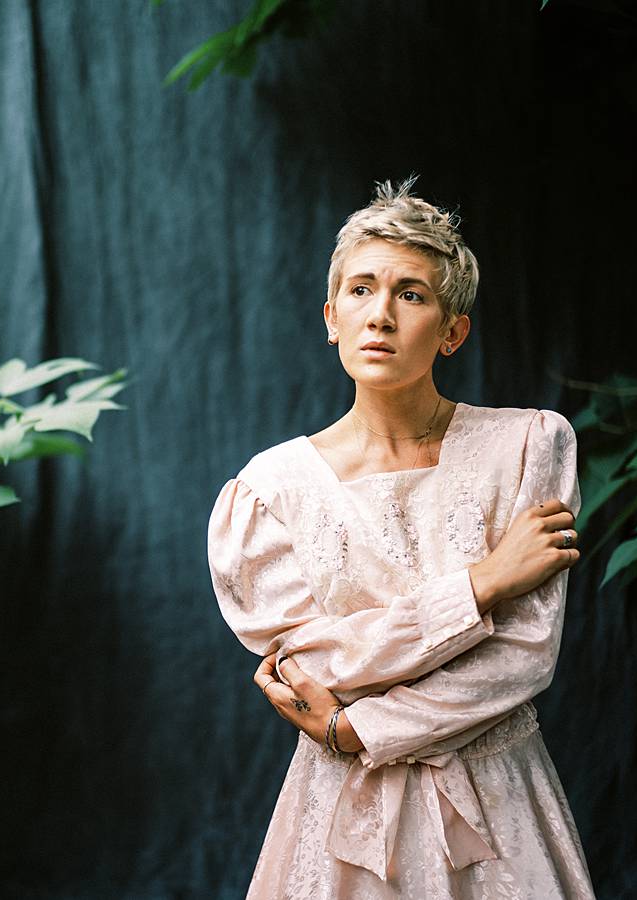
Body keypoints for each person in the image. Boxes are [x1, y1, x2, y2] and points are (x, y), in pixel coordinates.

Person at [206, 178, 596, 898]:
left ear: (453, 331)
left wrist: (356, 731)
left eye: (411, 294)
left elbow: (522, 657)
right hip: (340, 821)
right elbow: (316, 668)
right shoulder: (267, 494)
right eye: (360, 290)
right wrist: (480, 585)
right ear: (330, 317)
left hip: (497, 811)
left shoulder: (527, 448)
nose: (379, 314)